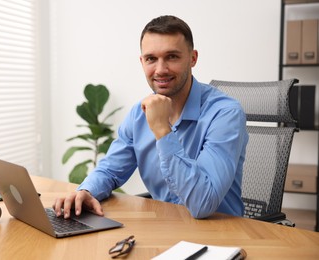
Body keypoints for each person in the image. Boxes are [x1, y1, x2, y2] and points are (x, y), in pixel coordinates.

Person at [53, 15, 248, 219]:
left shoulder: (225, 114)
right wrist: (86, 191)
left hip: (221, 235)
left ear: (193, 58)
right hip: (163, 228)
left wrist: (162, 130)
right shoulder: (139, 114)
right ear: (142, 61)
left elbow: (203, 203)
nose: (160, 69)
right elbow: (110, 170)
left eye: (172, 56)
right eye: (151, 59)